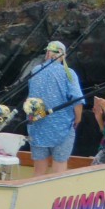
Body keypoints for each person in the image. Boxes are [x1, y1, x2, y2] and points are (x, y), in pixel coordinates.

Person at [26, 39, 84, 176]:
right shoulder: (68, 73)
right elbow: (77, 99)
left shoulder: (35, 71)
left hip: (37, 127)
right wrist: (78, 119)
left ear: (47, 53)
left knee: (39, 171)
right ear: (62, 55)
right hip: (61, 128)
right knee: (59, 169)